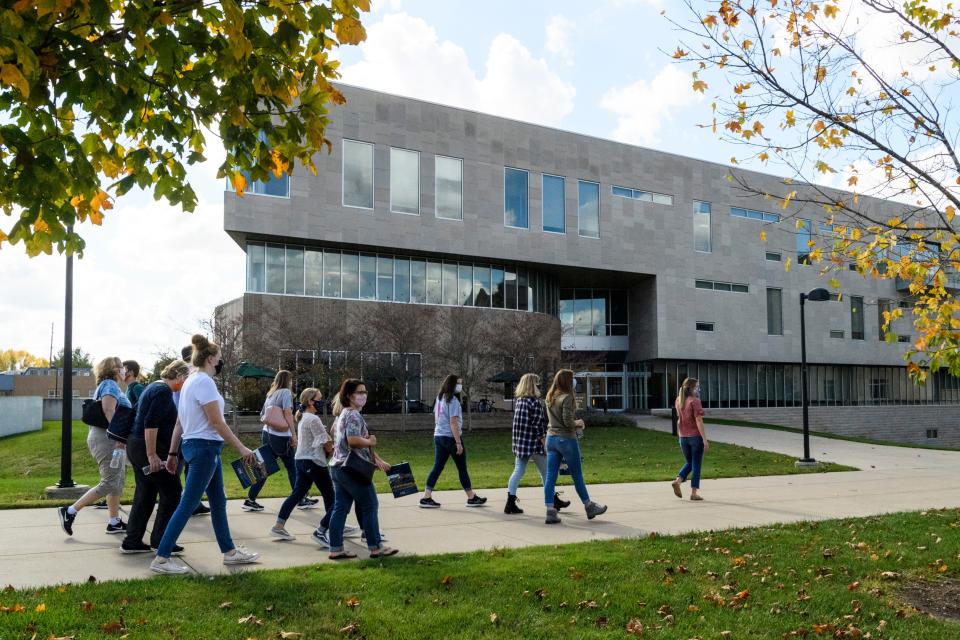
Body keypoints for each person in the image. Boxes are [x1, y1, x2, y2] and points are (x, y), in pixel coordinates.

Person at [150, 334, 260, 574]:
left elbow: (180, 422)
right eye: (219, 358)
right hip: (205, 448)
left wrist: (172, 453)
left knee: (218, 501)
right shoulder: (204, 383)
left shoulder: (190, 381)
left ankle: (229, 552)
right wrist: (242, 448)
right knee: (188, 503)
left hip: (199, 447)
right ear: (210, 359)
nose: (220, 362)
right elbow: (217, 422)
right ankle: (161, 557)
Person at [121, 360, 189, 554]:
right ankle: (161, 540)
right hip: (147, 448)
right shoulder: (162, 392)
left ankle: (132, 540)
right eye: (185, 381)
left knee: (146, 494)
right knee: (172, 492)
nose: (184, 386)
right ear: (179, 377)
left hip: (136, 445)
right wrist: (152, 455)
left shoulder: (153, 387)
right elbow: (151, 423)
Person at [58, 357, 130, 536]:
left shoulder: (110, 385)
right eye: (121, 367)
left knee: (117, 480)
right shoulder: (110, 385)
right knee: (109, 482)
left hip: (110, 437)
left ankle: (114, 522)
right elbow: (108, 410)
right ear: (114, 369)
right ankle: (70, 511)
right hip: (108, 438)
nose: (124, 370)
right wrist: (119, 436)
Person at [326, 379, 398, 560]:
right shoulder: (353, 415)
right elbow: (354, 441)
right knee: (370, 505)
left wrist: (377, 459)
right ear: (350, 396)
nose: (363, 395)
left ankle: (335, 548)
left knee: (340, 508)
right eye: (359, 392)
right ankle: (376, 547)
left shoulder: (343, 414)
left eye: (365, 392)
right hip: (352, 470)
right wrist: (371, 441)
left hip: (337, 467)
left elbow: (353, 442)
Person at [542, 369, 607, 525]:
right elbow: (567, 421)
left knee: (550, 476)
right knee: (577, 474)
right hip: (566, 439)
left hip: (551, 438)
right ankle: (589, 506)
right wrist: (579, 422)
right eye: (572, 379)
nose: (574, 383)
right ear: (567, 382)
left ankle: (550, 510)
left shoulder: (550, 396)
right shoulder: (567, 398)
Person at [270, 388, 333, 540]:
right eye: (319, 399)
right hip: (314, 461)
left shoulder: (303, 417)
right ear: (311, 401)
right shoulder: (313, 419)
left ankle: (278, 526)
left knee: (297, 494)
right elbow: (326, 442)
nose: (322, 402)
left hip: (301, 460)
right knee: (331, 496)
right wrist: (334, 450)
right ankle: (329, 527)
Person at [243, 370, 309, 512]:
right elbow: (288, 414)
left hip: (267, 433)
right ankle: (300, 499)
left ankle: (250, 499)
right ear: (287, 380)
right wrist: (293, 434)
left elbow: (262, 415)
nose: (292, 383)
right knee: (292, 467)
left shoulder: (270, 394)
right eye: (291, 380)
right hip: (281, 436)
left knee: (264, 467)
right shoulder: (285, 393)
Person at [504, 373, 570, 515]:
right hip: (534, 444)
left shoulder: (520, 401)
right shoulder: (534, 402)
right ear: (532, 385)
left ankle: (510, 502)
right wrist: (544, 443)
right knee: (547, 473)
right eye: (537, 383)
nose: (538, 386)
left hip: (521, 444)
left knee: (518, 471)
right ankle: (552, 501)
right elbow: (538, 426)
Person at [419, 375, 487, 509]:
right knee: (462, 468)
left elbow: (437, 418)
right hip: (450, 437)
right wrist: (458, 442)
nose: (460, 386)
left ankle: (426, 497)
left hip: (438, 436)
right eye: (459, 383)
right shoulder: (453, 401)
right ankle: (471, 498)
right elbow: (453, 422)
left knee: (437, 467)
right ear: (453, 384)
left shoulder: (439, 398)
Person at [176, 345, 211, 517]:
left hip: (187, 430)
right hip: (196, 434)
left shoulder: (187, 376)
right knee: (187, 470)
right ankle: (184, 502)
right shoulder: (195, 376)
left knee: (187, 469)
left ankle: (192, 502)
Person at [671, 377, 709, 501]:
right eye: (697, 386)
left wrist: (680, 434)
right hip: (695, 437)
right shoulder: (695, 401)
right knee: (696, 464)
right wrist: (704, 439)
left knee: (690, 463)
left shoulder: (678, 400)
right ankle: (694, 493)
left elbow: (678, 420)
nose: (699, 389)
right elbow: (698, 420)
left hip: (683, 438)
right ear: (692, 388)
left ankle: (678, 480)